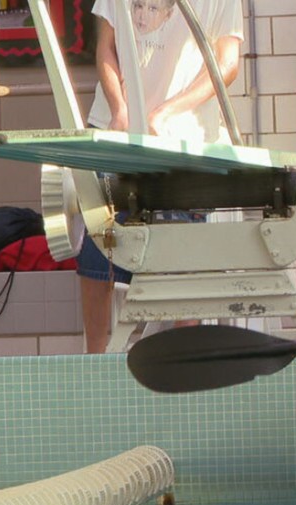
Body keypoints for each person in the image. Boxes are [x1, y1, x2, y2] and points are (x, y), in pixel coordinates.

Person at [80, 0, 244, 353]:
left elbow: (227, 63)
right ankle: (93, 361)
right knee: (99, 250)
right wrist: (119, 108)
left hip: (183, 142)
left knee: (180, 258)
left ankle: (185, 363)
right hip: (115, 132)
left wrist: (168, 112)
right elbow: (105, 46)